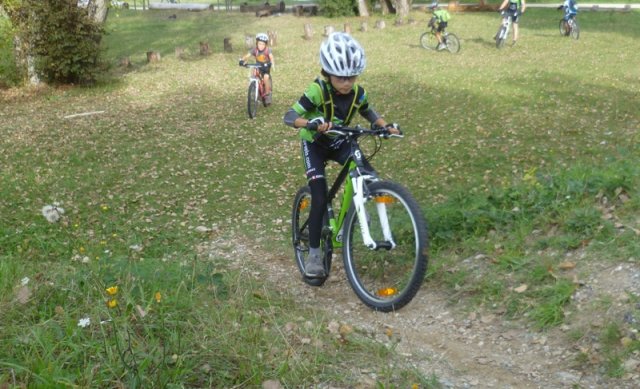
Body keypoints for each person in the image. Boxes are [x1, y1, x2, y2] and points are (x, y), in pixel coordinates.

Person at [283, 32, 400, 278]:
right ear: (327, 73)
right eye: (340, 77)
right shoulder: (317, 90)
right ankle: (314, 255)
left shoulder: (358, 93)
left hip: (340, 141)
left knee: (367, 173)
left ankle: (358, 208)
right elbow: (289, 117)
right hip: (314, 144)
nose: (347, 83)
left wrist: (384, 125)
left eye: (352, 77)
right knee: (319, 195)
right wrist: (310, 123)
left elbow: (369, 112)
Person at [239, 33, 275, 105]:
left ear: (265, 45)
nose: (261, 46)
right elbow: (247, 55)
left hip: (265, 67)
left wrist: (272, 63)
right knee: (254, 72)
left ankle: (268, 94)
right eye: (259, 44)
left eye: (263, 44)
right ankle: (254, 87)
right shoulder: (254, 50)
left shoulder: (268, 50)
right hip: (258, 66)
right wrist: (242, 60)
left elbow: (271, 57)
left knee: (266, 77)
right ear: (256, 43)